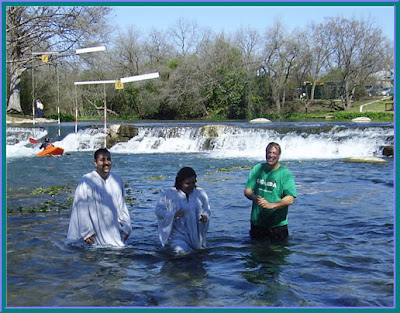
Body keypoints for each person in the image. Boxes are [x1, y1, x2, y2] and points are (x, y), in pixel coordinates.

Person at [67, 148, 132, 247]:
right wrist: (86, 232)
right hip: (94, 233)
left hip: (114, 231)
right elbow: (80, 206)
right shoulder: (87, 180)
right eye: (102, 160)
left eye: (108, 159)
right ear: (95, 162)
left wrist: (126, 226)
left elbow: (121, 205)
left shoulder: (117, 180)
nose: (106, 163)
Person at [244, 142, 297, 241]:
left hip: (277, 226)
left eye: (274, 153)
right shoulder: (258, 168)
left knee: (277, 254)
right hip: (257, 223)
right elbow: (247, 190)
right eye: (269, 152)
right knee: (256, 254)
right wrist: (254, 197)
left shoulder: (285, 174)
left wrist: (271, 205)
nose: (271, 155)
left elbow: (290, 199)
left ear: (279, 156)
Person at [155, 167, 211, 254]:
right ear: (180, 182)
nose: (191, 186)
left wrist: (205, 217)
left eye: (193, 182)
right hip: (177, 236)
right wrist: (173, 214)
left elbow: (207, 209)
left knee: (197, 255)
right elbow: (158, 211)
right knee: (182, 252)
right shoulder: (169, 194)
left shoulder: (200, 193)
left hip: (195, 236)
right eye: (187, 183)